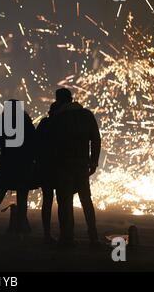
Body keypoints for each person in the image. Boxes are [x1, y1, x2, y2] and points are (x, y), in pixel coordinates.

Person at [48, 88, 101, 247]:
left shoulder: (59, 118)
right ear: (72, 99)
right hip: (82, 165)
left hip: (64, 166)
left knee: (65, 202)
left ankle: (67, 238)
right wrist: (93, 161)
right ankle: (93, 237)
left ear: (58, 101)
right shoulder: (86, 115)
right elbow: (96, 140)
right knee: (86, 200)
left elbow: (53, 144)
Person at [0, 100, 36, 235]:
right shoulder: (26, 122)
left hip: (8, 165)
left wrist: (0, 160)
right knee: (22, 199)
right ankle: (21, 231)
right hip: (23, 165)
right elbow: (34, 144)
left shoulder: (2, 122)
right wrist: (31, 161)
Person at [35, 102, 60, 244]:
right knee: (63, 201)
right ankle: (64, 234)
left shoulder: (45, 123)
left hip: (46, 167)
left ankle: (47, 233)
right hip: (59, 167)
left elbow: (36, 143)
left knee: (47, 200)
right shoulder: (62, 123)